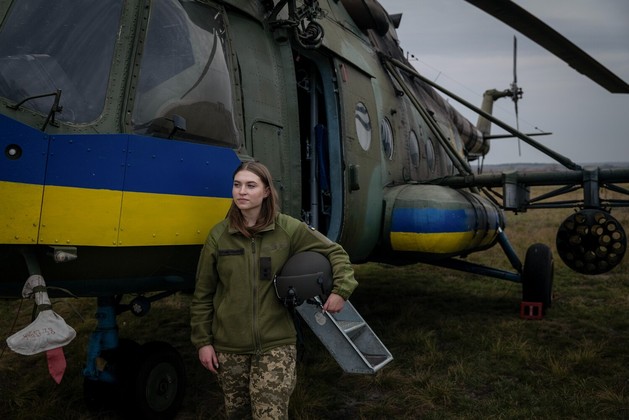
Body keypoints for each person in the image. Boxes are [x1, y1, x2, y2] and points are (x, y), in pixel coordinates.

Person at [190, 161, 358, 419]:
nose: (241, 192)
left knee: (270, 415)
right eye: (237, 185)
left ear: (266, 191)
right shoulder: (219, 236)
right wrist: (203, 342)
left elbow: (334, 251)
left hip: (276, 343)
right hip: (229, 346)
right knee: (236, 413)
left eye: (250, 185)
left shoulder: (287, 229)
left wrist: (341, 289)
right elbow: (202, 295)